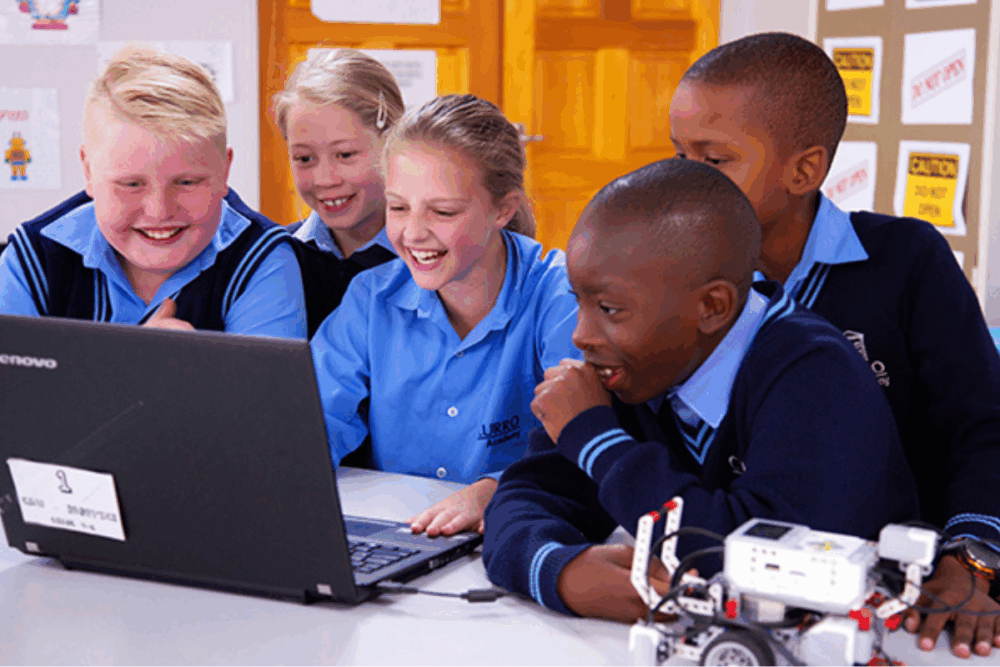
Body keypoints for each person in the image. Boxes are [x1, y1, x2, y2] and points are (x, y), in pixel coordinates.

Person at [668, 32, 1000, 658]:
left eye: (713, 162)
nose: (687, 183)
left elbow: (984, 428)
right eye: (678, 155)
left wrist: (971, 557)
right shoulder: (680, 284)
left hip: (900, 597)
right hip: (738, 588)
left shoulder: (906, 262)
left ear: (805, 170)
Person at [482, 158, 919, 622]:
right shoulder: (630, 366)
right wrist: (559, 571)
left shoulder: (815, 377)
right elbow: (521, 501)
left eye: (609, 308)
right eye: (578, 301)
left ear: (712, 306)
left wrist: (596, 441)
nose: (581, 335)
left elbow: (761, 563)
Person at [310, 94, 582, 536]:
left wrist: (498, 488)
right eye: (398, 208)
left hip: (516, 534)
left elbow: (584, 438)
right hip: (402, 533)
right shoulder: (371, 298)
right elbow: (312, 419)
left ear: (503, 209)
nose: (412, 232)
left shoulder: (559, 295)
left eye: (442, 211)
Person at [0, 45, 305, 337]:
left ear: (225, 170)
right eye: (131, 185)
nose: (159, 210)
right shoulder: (33, 259)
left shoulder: (265, 260)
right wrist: (139, 365)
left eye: (187, 183)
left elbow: (263, 391)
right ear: (89, 172)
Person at [272, 49, 404, 337]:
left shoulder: (433, 258)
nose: (324, 179)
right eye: (305, 158)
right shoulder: (275, 259)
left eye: (345, 154)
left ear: (392, 145)